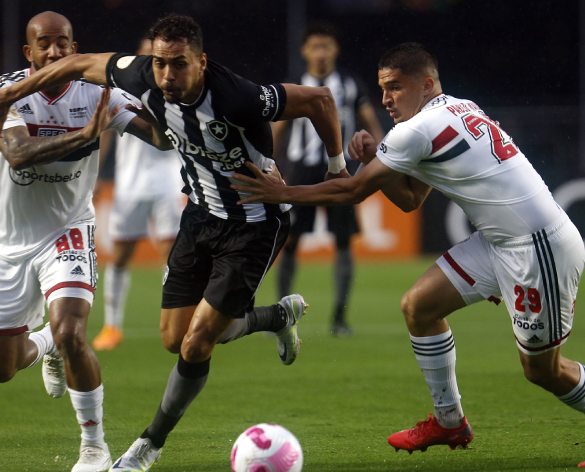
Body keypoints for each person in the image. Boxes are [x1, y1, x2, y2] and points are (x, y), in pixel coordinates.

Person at [0, 14, 347, 471]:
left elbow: (317, 99)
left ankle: (138, 448)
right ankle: (274, 315)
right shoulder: (129, 76)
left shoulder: (236, 95)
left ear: (200, 62)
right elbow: (51, 110)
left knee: (191, 341)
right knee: (171, 339)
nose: (166, 76)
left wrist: (336, 168)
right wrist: (14, 96)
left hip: (249, 222)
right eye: (160, 64)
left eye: (178, 65)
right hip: (192, 217)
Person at [231, 42, 585, 463]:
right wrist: (369, 159)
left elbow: (353, 191)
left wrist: (283, 191)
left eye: (396, 87)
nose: (385, 99)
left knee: (543, 371)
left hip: (535, 247)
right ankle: (449, 421)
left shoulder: (417, 129)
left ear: (428, 84)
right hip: (500, 242)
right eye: (383, 88)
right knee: (419, 307)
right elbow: (412, 198)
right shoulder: (456, 108)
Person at [0, 11, 160, 472]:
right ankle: (45, 343)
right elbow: (17, 155)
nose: (54, 51)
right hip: (9, 243)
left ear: (75, 48)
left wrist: (167, 106)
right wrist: (84, 137)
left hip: (69, 230)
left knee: (74, 331)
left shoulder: (98, 93)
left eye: (63, 43)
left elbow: (160, 138)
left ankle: (94, 448)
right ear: (28, 53)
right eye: (44, 44)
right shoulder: (4, 91)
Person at [272, 21, 384, 336]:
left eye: (327, 46)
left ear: (335, 50)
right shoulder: (294, 83)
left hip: (341, 171)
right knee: (290, 241)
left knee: (343, 241)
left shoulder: (349, 83)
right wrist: (270, 163)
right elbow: (278, 128)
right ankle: (280, 314)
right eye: (315, 47)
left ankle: (339, 318)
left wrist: (386, 154)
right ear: (305, 51)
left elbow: (371, 122)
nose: (321, 53)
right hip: (300, 171)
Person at [92, 39, 184, 351]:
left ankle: (172, 323)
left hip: (169, 183)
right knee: (120, 256)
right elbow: (105, 128)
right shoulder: (124, 91)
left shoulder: (174, 89)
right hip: (129, 183)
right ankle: (112, 326)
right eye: (146, 54)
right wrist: (96, 174)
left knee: (171, 254)